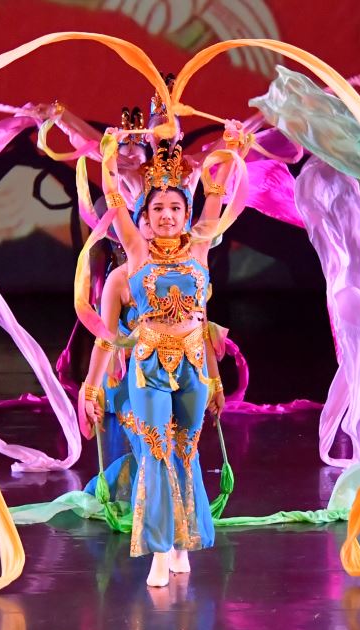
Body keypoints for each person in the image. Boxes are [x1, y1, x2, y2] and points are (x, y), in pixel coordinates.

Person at [78, 131, 235, 587]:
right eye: (158, 209)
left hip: (194, 368)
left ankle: (183, 543)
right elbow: (107, 340)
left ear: (186, 215)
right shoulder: (135, 257)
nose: (167, 216)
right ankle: (160, 551)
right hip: (148, 369)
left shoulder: (199, 249)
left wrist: (231, 152)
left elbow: (203, 324)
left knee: (185, 453)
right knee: (156, 452)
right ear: (143, 218)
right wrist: (91, 387)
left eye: (176, 209)